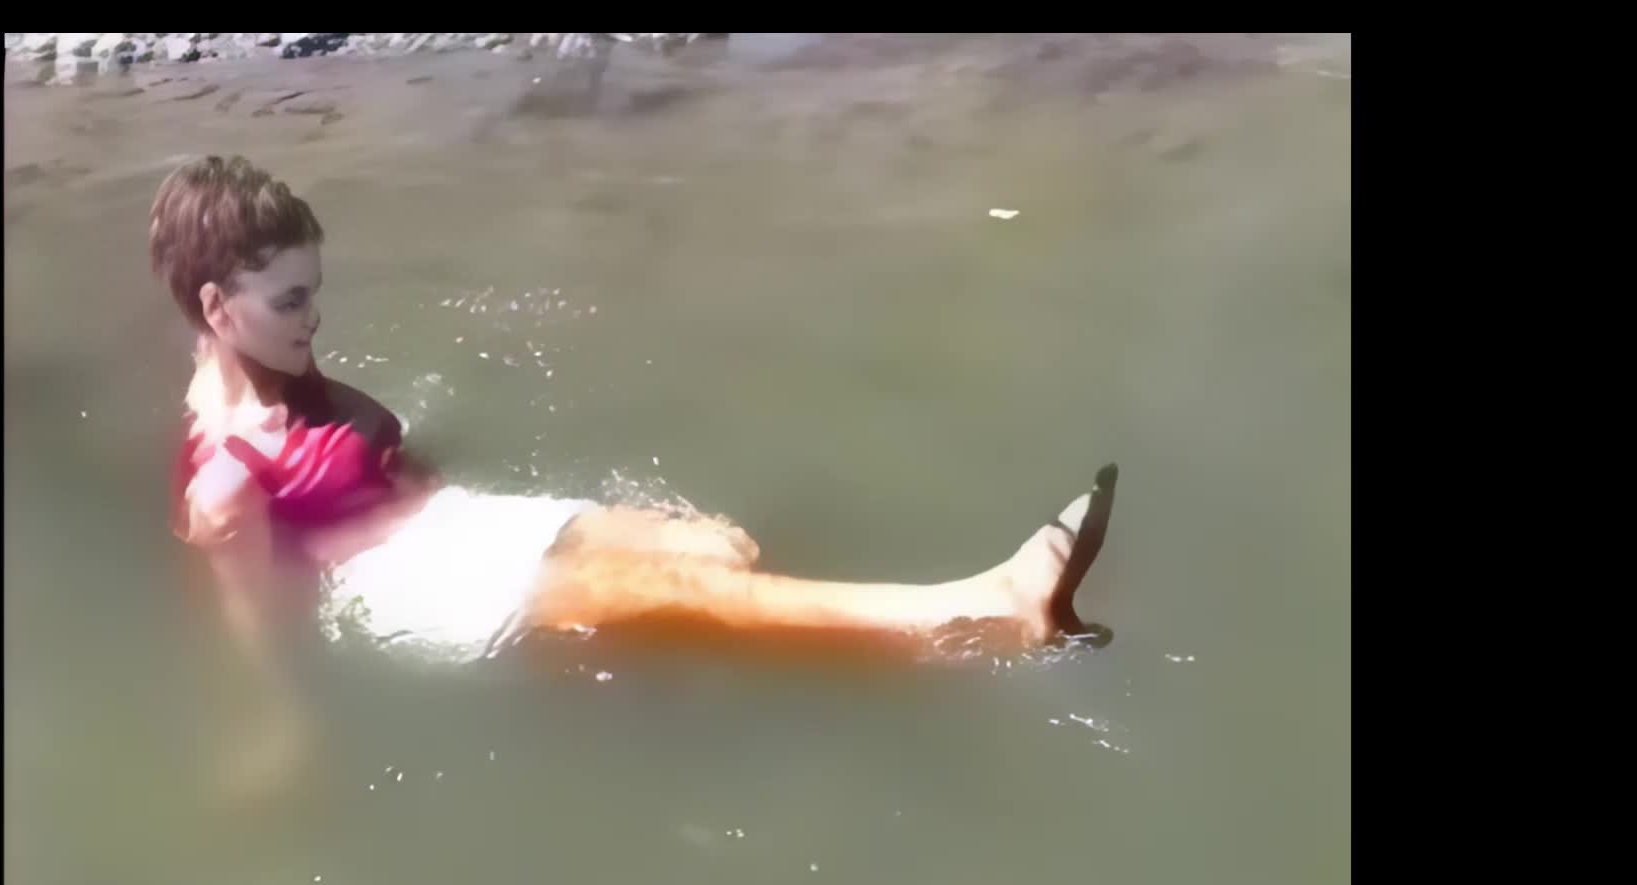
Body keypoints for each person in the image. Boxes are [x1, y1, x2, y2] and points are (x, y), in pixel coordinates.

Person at [152, 155, 1118, 686]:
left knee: (718, 548)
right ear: (216, 308)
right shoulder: (225, 484)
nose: (315, 317)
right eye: (291, 300)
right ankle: (989, 609)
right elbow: (251, 639)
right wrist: (266, 743)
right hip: (415, 590)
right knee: (689, 591)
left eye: (315, 291)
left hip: (458, 524)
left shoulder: (275, 365)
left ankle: (652, 650)